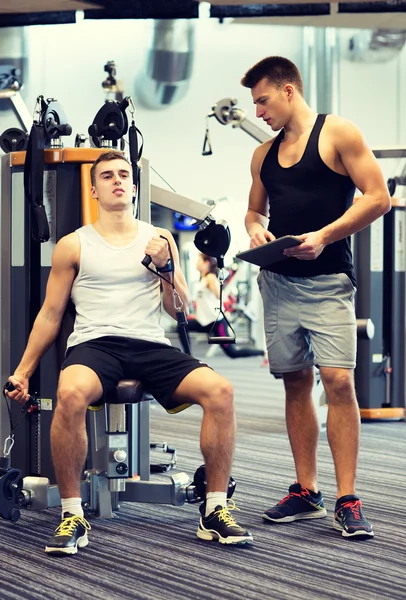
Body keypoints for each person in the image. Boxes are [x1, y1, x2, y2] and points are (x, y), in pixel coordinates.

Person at [6, 150, 253, 554]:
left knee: (221, 390)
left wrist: (166, 268)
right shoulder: (73, 245)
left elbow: (181, 311)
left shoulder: (160, 239)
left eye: (124, 174)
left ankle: (215, 509)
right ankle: (72, 514)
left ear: (135, 188)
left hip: (150, 343)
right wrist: (23, 371)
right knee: (69, 394)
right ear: (94, 188)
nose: (118, 180)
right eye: (107, 176)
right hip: (95, 344)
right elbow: (50, 315)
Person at [241, 56, 391, 539]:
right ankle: (307, 492)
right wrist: (255, 229)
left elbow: (377, 197)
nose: (259, 111)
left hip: (328, 281)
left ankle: (348, 497)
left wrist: (324, 236)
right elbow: (252, 210)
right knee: (294, 382)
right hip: (278, 282)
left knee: (339, 382)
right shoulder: (262, 155)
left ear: (288, 91)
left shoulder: (338, 133)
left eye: (263, 101)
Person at [178, 253, 265, 360]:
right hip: (205, 322)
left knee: (233, 352)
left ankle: (262, 353)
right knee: (183, 326)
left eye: (199, 260)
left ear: (206, 263)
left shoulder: (210, 278)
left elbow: (220, 295)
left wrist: (219, 291)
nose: (196, 263)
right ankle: (188, 356)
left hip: (216, 322)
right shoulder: (203, 279)